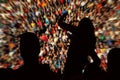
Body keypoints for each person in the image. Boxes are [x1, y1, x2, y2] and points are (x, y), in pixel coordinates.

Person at [58, 12, 101, 80]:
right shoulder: (90, 38)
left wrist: (64, 14)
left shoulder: (77, 30)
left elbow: (60, 23)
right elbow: (96, 59)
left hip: (70, 64)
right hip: (80, 67)